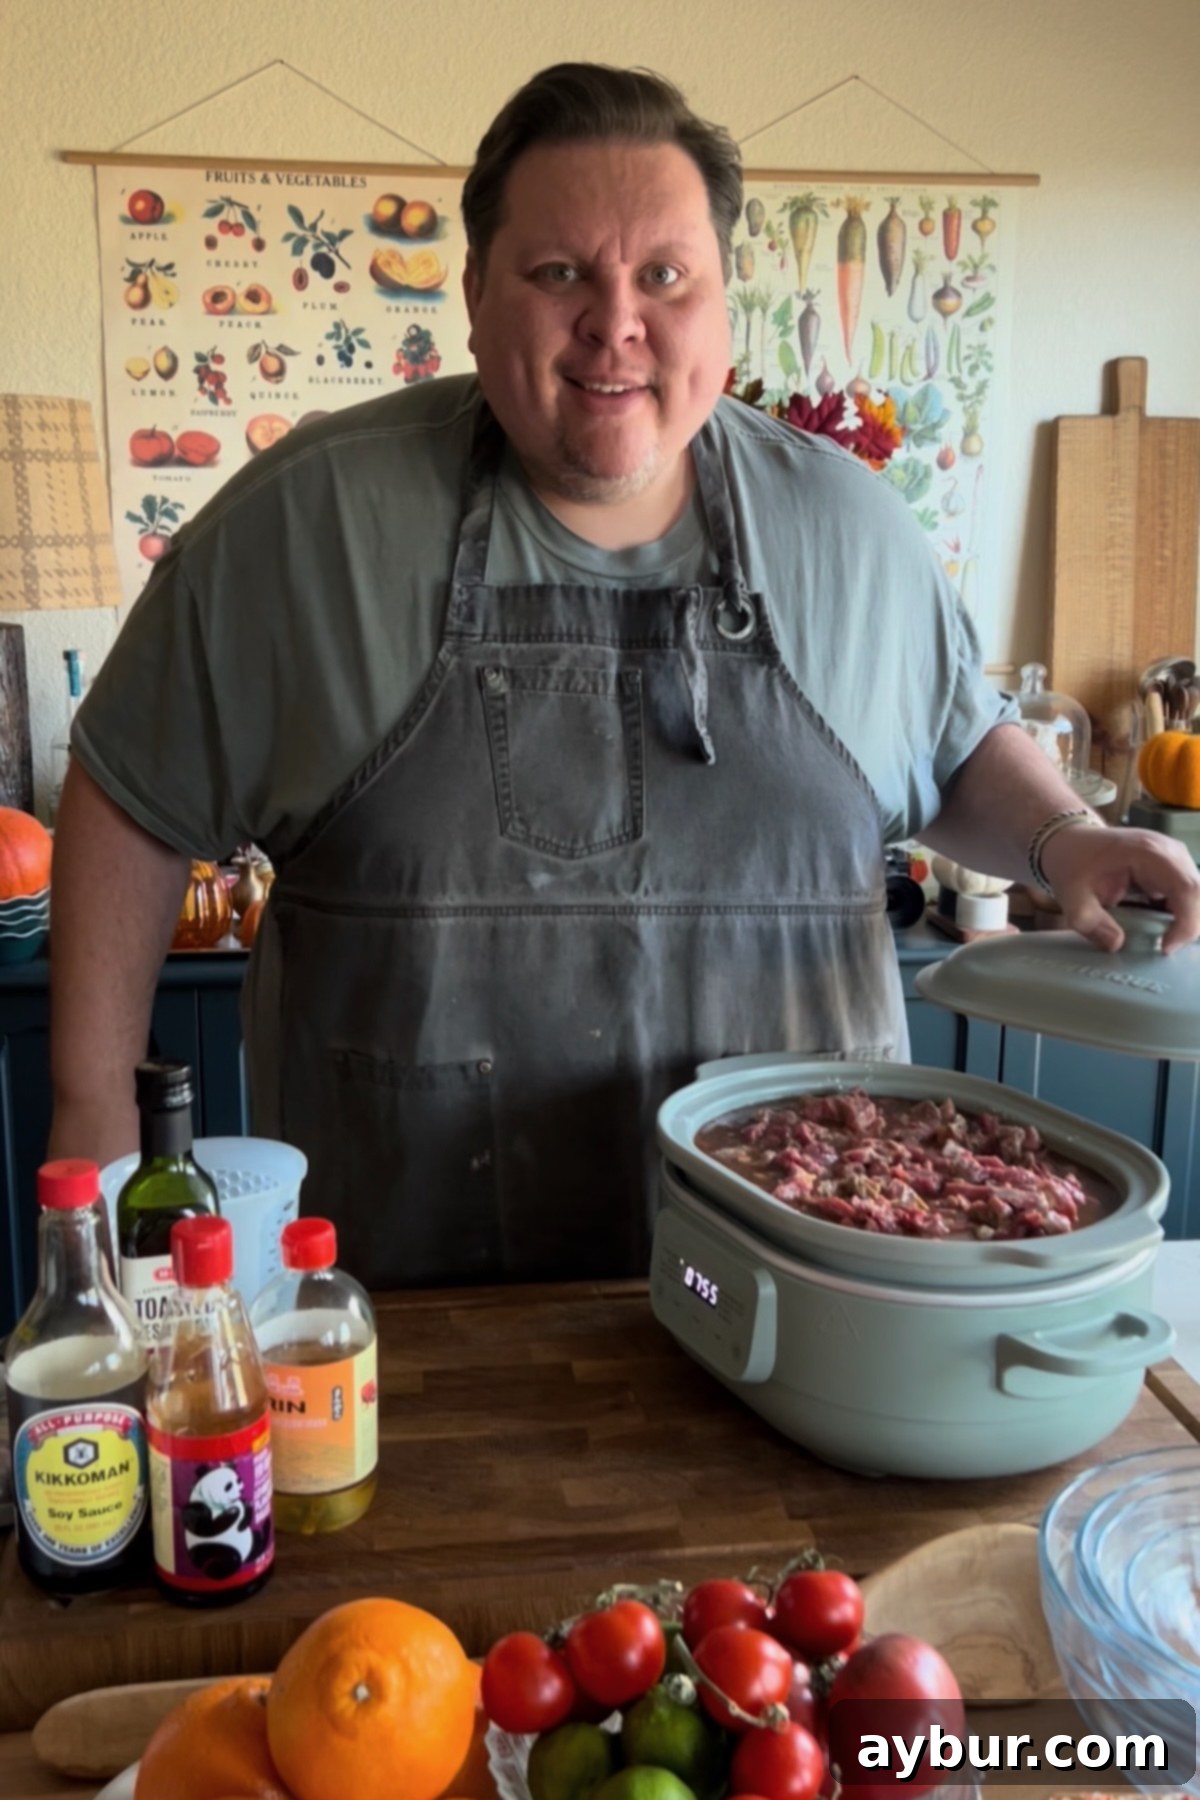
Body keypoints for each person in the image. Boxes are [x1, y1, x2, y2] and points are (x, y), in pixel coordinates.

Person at [49, 63, 1200, 1289]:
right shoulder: (305, 528)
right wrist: (90, 1110)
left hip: (819, 1308)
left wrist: (1069, 838)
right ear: (478, 294)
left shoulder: (853, 530)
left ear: (722, 301)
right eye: (559, 275)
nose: (616, 323)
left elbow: (954, 742)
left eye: (664, 275)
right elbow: (132, 787)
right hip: (413, 1327)